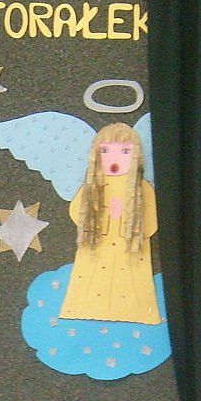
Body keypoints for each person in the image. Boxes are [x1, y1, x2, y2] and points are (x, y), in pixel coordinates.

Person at [59, 122, 162, 324]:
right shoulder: (93, 186)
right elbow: (77, 212)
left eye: (125, 151)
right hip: (97, 244)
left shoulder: (142, 188)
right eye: (105, 151)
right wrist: (97, 220)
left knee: (131, 282)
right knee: (91, 280)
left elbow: (152, 220)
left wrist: (129, 223)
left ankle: (135, 312)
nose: (114, 159)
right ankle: (84, 308)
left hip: (130, 247)